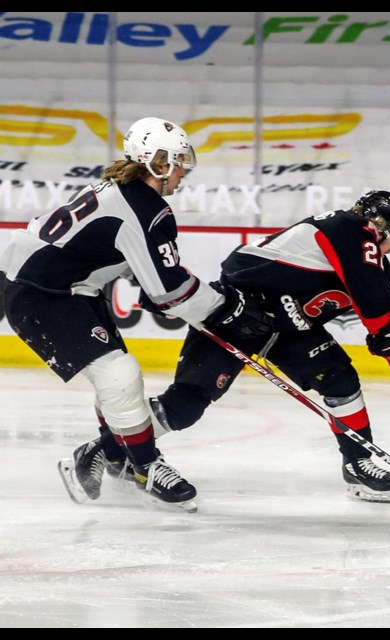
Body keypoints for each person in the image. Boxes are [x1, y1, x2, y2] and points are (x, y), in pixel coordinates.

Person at [70, 190, 390, 505]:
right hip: (237, 316)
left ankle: (357, 462)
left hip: (290, 331)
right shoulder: (348, 232)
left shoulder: (366, 257)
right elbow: (236, 267)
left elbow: (388, 338)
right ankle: (102, 450)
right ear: (377, 225)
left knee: (340, 379)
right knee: (188, 403)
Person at [0, 117, 272, 512]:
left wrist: (158, 285)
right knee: (119, 374)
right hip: (41, 294)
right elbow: (171, 290)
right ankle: (145, 466)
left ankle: (116, 457)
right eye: (177, 162)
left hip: (66, 286)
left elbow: (119, 255)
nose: (183, 171)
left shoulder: (123, 191)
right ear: (157, 162)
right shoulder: (146, 209)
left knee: (116, 378)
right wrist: (225, 310)